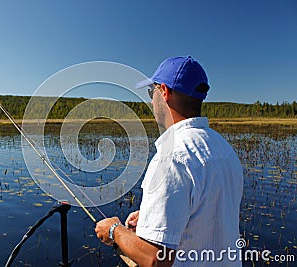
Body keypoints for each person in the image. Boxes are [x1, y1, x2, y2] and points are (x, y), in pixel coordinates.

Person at [95, 56, 243, 266]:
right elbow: (206, 214)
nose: (151, 100)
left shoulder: (172, 157)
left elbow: (156, 259)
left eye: (151, 92)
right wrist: (150, 216)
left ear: (164, 92)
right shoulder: (224, 149)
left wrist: (114, 231)